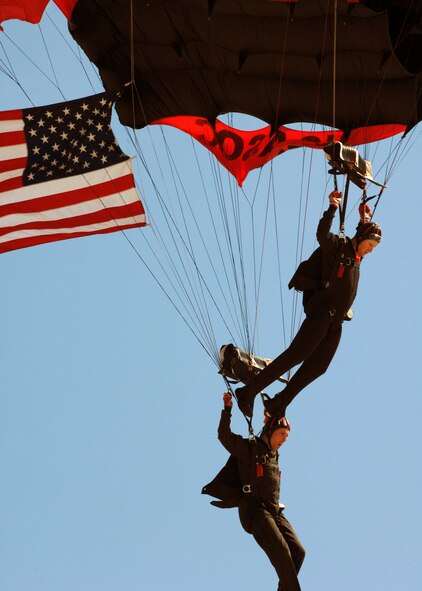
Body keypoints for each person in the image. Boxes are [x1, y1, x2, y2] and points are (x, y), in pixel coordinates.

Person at [236, 191, 382, 418]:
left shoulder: (356, 258)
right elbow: (322, 234)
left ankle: (279, 403)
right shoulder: (340, 247)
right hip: (323, 313)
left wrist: (364, 218)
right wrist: (333, 207)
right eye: (370, 244)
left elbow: (362, 233)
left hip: (336, 323)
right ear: (362, 238)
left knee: (319, 366)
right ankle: (249, 392)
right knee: (296, 355)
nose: (371, 249)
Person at [204, 392, 305, 591]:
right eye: (282, 434)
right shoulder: (250, 449)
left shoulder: (273, 455)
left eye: (287, 436)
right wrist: (227, 410)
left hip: (274, 511)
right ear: (271, 430)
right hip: (255, 510)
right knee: (282, 554)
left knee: (298, 552)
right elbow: (224, 437)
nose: (285, 440)